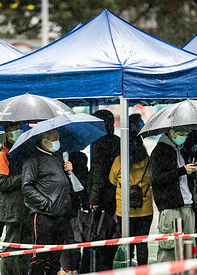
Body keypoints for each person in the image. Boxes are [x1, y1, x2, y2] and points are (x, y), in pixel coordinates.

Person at [22, 129, 72, 274]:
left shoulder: (57, 157)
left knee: (55, 258)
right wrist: (46, 205)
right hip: (43, 216)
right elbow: (26, 187)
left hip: (60, 215)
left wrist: (69, 171)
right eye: (55, 138)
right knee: (39, 258)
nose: (58, 141)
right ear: (44, 141)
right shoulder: (33, 160)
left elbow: (64, 183)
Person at [149, 128, 197, 262]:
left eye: (186, 134)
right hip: (170, 206)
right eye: (182, 134)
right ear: (171, 132)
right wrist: (182, 170)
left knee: (189, 250)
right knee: (169, 251)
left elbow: (184, 178)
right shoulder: (159, 151)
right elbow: (157, 179)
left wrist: (193, 170)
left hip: (187, 204)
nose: (184, 137)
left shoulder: (182, 150)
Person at [109, 134, 153, 265]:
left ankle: (128, 267)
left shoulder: (119, 161)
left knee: (127, 243)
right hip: (145, 210)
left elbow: (112, 180)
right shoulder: (147, 161)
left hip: (124, 211)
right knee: (142, 244)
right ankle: (142, 270)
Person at [0, 122, 31, 275]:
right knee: (11, 245)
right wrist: (24, 177)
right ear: (7, 133)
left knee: (26, 246)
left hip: (26, 206)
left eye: (19, 129)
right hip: (12, 208)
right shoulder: (2, 155)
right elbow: (1, 183)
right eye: (15, 130)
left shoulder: (24, 151)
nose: (18, 132)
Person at [86, 109, 120, 271]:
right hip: (118, 194)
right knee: (113, 235)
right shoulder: (119, 141)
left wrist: (94, 200)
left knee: (100, 235)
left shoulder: (99, 144)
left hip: (104, 198)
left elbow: (98, 175)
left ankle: (102, 269)